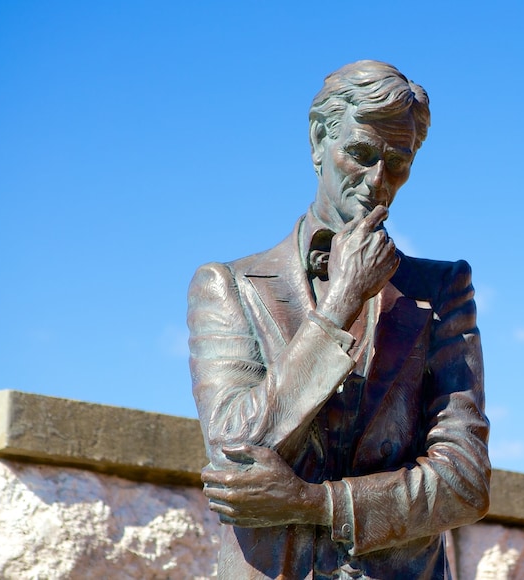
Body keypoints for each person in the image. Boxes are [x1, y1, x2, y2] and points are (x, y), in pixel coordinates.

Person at [187, 60, 490, 579]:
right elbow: (233, 449)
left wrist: (313, 503)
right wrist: (341, 303)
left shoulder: (442, 290)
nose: (378, 182)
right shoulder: (228, 286)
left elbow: (464, 481)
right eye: (360, 154)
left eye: (398, 162)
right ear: (317, 142)